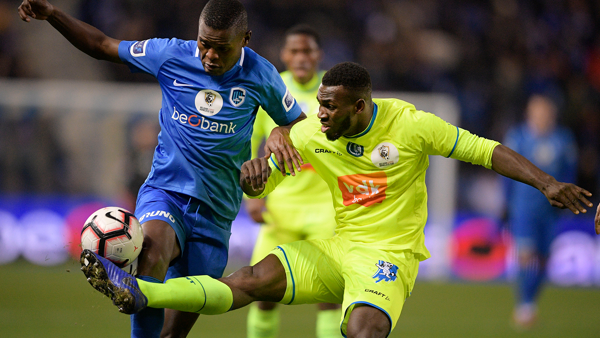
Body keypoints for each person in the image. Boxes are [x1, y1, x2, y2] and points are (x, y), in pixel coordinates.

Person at [79, 62, 595, 338]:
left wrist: (547, 183)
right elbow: (262, 184)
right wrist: (256, 177)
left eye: (329, 107)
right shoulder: (309, 135)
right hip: (337, 245)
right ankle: (144, 293)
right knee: (251, 280)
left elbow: (485, 151)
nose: (318, 115)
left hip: (389, 255)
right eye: (318, 105)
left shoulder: (411, 125)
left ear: (360, 105)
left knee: (361, 330)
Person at [18, 1, 307, 337]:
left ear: (245, 39)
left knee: (172, 332)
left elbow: (298, 124)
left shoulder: (261, 74)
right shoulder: (170, 54)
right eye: (204, 44)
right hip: (166, 191)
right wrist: (53, 14)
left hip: (217, 212)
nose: (210, 56)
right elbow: (101, 46)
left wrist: (278, 132)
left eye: (221, 48)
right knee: (152, 255)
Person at [245, 24, 341, 338]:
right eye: (295, 51)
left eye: (307, 51)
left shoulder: (333, 92)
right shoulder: (272, 88)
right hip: (280, 208)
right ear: (285, 55)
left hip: (326, 208)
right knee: (262, 292)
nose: (301, 57)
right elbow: (249, 142)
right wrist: (253, 196)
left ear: (318, 56)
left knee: (330, 297)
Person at [502, 95, 578, 329]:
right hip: (523, 209)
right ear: (529, 114)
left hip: (551, 211)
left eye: (545, 112)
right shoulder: (518, 136)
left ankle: (530, 302)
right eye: (537, 112)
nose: (542, 116)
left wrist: (568, 200)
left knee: (545, 260)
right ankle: (524, 306)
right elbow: (505, 172)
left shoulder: (563, 139)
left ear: (551, 114)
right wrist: (507, 203)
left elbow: (570, 171)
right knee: (525, 255)